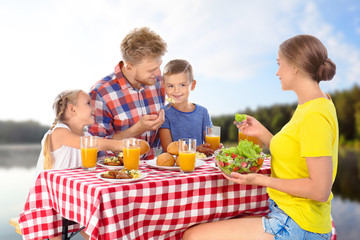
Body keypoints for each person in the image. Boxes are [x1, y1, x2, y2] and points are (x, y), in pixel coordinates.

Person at [183, 35, 338, 240]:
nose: (277, 72)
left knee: (192, 236)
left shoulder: (314, 115)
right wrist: (262, 132)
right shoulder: (314, 105)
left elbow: (320, 190)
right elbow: (295, 152)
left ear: (294, 67)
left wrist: (260, 180)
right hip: (289, 215)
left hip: (298, 224)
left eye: (279, 64)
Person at [88, 27, 167, 159]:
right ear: (129, 66)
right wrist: (137, 129)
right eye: (151, 70)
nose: (158, 73)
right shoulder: (101, 93)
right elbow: (95, 147)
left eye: (159, 66)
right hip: (118, 174)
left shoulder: (159, 83)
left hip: (154, 172)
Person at [159, 59, 216, 156]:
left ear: (192, 85)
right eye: (171, 86)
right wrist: (195, 149)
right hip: (175, 166)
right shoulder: (164, 113)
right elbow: (168, 149)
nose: (176, 90)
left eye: (182, 85)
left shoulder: (203, 112)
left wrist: (215, 147)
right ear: (164, 86)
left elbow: (211, 142)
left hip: (200, 163)